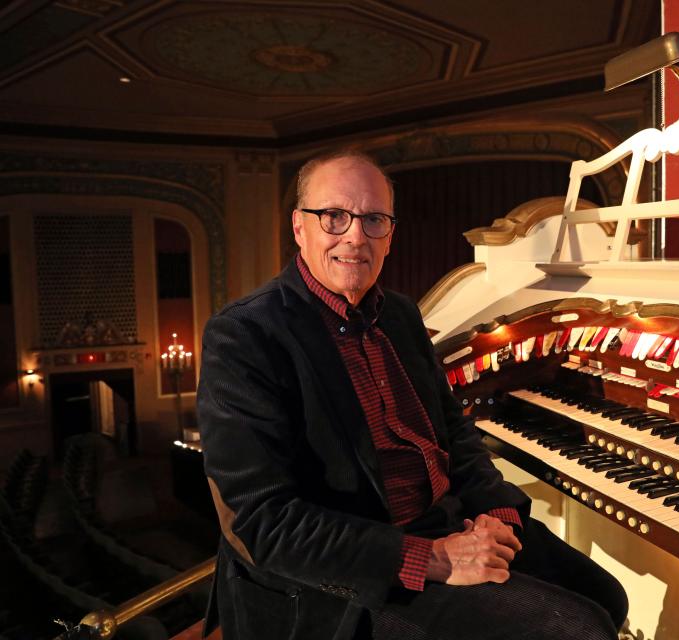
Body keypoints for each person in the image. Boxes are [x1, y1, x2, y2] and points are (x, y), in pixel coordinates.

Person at [197, 151, 628, 640]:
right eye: (334, 216)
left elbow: (454, 433)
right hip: (352, 567)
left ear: (390, 234)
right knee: (578, 629)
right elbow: (264, 522)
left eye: (373, 220)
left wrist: (496, 513)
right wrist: (433, 559)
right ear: (300, 227)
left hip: (446, 522)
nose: (355, 236)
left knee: (605, 595)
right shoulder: (245, 336)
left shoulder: (399, 315)